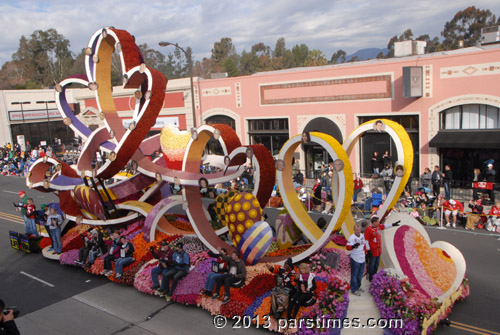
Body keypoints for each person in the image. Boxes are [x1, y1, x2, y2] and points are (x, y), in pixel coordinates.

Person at [364, 215, 400, 281]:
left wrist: (393, 224)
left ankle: (374, 275)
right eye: (377, 222)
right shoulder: (368, 230)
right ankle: (370, 276)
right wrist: (368, 250)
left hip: (378, 250)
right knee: (371, 264)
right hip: (372, 251)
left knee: (376, 264)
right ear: (374, 222)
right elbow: (366, 241)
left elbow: (384, 226)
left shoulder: (378, 227)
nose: (379, 223)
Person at [347, 223, 367, 296]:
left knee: (360, 274)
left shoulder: (362, 236)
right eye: (357, 230)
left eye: (359, 230)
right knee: (354, 275)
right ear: (354, 230)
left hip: (362, 258)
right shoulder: (351, 238)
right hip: (355, 258)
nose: (358, 231)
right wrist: (353, 246)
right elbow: (347, 247)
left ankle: (358, 286)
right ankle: (354, 289)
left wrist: (366, 252)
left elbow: (364, 244)